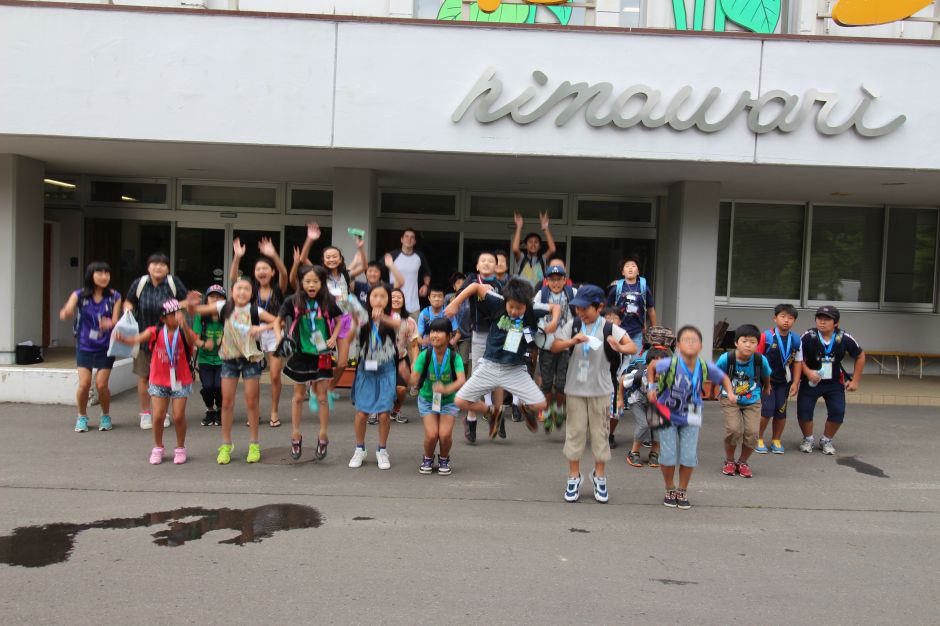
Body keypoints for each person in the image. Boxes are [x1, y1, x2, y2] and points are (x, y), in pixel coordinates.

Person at [551, 285, 637, 503]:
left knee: (600, 434)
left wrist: (619, 347)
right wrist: (572, 341)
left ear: (599, 307)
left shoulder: (609, 327)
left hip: (601, 390)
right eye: (578, 308)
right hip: (575, 389)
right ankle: (574, 476)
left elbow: (632, 347)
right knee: (575, 433)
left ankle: (599, 476)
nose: (580, 312)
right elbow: (555, 346)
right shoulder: (574, 325)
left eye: (585, 308)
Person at [445, 277, 560, 438]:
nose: (514, 311)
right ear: (505, 300)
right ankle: (492, 412)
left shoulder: (533, 308)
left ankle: (525, 408)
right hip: (489, 366)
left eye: (519, 308)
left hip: (515, 369)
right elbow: (475, 286)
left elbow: (555, 307)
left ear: (527, 304)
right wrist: (455, 303)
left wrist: (554, 322)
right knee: (460, 401)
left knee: (540, 403)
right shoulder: (498, 301)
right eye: (511, 307)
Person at [188, 277, 281, 465]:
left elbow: (278, 321)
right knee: (227, 403)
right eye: (239, 288)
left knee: (252, 403)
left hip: (250, 360)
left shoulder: (255, 310)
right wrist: (190, 302)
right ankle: (226, 445)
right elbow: (195, 311)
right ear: (232, 292)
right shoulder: (224, 307)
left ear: (252, 293)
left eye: (246, 289)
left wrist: (263, 328)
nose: (242, 292)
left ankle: (254, 444)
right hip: (229, 360)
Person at [649, 326, 736, 510]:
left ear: (701, 346)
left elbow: (724, 378)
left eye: (694, 340)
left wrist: (730, 392)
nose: (690, 343)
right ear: (678, 345)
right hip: (666, 412)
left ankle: (682, 490)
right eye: (686, 340)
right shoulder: (670, 363)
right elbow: (652, 366)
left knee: (688, 456)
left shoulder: (705, 366)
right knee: (668, 455)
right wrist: (651, 387)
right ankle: (669, 487)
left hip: (691, 414)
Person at [113, 299, 194, 465]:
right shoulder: (155, 331)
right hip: (158, 380)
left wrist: (184, 325)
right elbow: (137, 339)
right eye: (172, 314)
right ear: (163, 318)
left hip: (180, 380)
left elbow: (191, 341)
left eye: (179, 312)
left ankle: (180, 448)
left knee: (178, 416)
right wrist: (123, 339)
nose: (177, 316)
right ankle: (158, 447)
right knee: (158, 416)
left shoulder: (183, 331)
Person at [279, 264, 345, 462]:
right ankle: (295, 435)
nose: (311, 285)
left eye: (315, 281)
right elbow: (279, 320)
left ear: (322, 283)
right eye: (307, 281)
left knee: (322, 397)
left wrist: (333, 337)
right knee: (298, 397)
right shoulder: (292, 301)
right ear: (301, 282)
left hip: (322, 354)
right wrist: (280, 336)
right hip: (300, 354)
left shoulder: (327, 300)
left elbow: (340, 320)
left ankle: (323, 435)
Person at [230, 236, 288, 428]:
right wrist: (237, 257)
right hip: (253, 334)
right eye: (258, 269)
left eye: (265, 268)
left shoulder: (278, 289)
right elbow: (233, 280)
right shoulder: (251, 291)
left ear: (272, 272)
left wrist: (273, 255)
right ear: (254, 273)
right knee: (252, 376)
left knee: (274, 375)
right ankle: (254, 412)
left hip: (274, 333)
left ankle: (274, 410)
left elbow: (285, 273)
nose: (262, 272)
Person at [124, 253, 188, 430]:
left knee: (165, 377)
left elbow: (185, 299)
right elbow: (129, 301)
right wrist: (127, 309)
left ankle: (163, 413)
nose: (158, 267)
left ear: (168, 268)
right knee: (144, 376)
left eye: (162, 264)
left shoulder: (173, 283)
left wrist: (179, 308)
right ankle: (145, 414)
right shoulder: (140, 283)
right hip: (144, 338)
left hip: (168, 340)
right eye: (154, 263)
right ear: (148, 267)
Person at [58, 261, 122, 433]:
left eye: (107, 273)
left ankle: (105, 415)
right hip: (85, 345)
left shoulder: (115, 296)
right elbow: (67, 310)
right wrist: (66, 313)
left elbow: (116, 320)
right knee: (84, 384)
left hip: (106, 347)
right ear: (90, 275)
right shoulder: (79, 295)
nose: (104, 276)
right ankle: (82, 416)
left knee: (101, 385)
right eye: (99, 273)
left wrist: (110, 323)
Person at [796, 306, 865, 456]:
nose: (822, 322)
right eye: (819, 318)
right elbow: (797, 357)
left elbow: (860, 356)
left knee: (837, 412)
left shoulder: (844, 338)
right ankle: (807, 439)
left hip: (834, 382)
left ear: (836, 323)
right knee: (804, 410)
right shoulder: (808, 336)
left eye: (827, 319)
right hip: (811, 381)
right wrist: (807, 372)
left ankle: (826, 440)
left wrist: (855, 380)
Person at [348, 282, 402, 470]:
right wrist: (356, 321)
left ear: (388, 300)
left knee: (384, 413)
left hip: (386, 369)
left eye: (383, 297)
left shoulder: (393, 316)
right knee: (361, 413)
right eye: (374, 296)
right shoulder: (363, 316)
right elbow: (351, 335)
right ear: (368, 298)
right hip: (365, 369)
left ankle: (382, 450)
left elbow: (399, 325)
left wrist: (383, 317)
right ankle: (359, 449)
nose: (378, 300)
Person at [411, 318, 467, 475]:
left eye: (439, 331)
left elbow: (462, 380)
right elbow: (413, 378)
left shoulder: (454, 357)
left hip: (449, 401)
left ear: (449, 336)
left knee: (444, 435)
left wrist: (446, 388)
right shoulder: (425, 355)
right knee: (431, 435)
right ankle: (427, 458)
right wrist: (410, 375)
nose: (435, 335)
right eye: (432, 331)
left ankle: (444, 459)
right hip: (428, 400)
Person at [715, 324, 772, 478]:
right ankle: (729, 461)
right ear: (736, 342)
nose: (748, 345)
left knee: (752, 432)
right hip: (730, 398)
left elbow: (766, 375)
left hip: (752, 398)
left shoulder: (760, 360)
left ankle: (743, 462)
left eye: (753, 342)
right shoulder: (726, 358)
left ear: (757, 344)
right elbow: (716, 374)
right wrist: (716, 390)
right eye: (744, 341)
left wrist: (767, 387)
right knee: (734, 429)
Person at [756, 304, 803, 454]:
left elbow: (798, 362)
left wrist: (795, 382)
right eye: (782, 316)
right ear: (775, 318)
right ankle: (758, 438)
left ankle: (776, 439)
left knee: (781, 411)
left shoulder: (796, 340)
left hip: (784, 383)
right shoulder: (766, 337)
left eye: (790, 318)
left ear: (794, 321)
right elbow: (757, 359)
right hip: (767, 382)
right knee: (767, 410)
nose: (786, 320)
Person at [534, 264, 576, 431]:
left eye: (559, 279)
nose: (556, 283)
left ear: (565, 280)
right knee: (546, 381)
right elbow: (532, 310)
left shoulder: (572, 293)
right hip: (547, 344)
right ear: (547, 281)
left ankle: (559, 409)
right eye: (552, 280)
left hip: (566, 343)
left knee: (561, 382)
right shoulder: (541, 294)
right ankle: (546, 410)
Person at [623, 346, 670, 468]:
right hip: (637, 400)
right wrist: (619, 400)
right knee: (643, 424)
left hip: (655, 402)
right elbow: (622, 380)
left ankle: (654, 454)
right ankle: (633, 453)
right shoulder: (640, 375)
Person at [606, 256, 656, 367]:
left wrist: (654, 329)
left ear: (638, 271)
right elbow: (606, 310)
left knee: (635, 364)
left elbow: (651, 309)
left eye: (633, 266)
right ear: (622, 272)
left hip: (637, 332)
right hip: (618, 332)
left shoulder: (644, 288)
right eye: (627, 266)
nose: (630, 268)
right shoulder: (616, 289)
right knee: (616, 364)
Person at [191, 284, 226, 427]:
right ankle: (210, 410)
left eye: (219, 297)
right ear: (206, 300)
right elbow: (195, 338)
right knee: (207, 387)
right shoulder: (201, 316)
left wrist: (223, 340)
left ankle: (220, 409)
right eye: (212, 296)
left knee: (219, 386)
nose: (215, 299)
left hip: (223, 359)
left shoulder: (227, 315)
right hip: (205, 359)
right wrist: (205, 345)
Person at [388, 287, 419, 425]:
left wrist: (414, 362)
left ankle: (396, 410)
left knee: (401, 389)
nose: (396, 299)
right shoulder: (382, 317)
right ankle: (376, 411)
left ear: (404, 300)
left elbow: (414, 345)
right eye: (393, 297)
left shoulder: (410, 321)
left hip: (401, 358)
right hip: (383, 360)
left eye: (399, 297)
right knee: (381, 387)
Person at [389, 228, 432, 316]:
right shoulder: (393, 255)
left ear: (415, 241)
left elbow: (427, 272)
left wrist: (426, 285)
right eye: (406, 236)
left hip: (413, 306)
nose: (409, 239)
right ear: (401, 239)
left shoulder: (419, 255)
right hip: (394, 305)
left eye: (412, 237)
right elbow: (377, 270)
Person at [511, 211, 556, 287]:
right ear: (525, 246)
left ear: (540, 246)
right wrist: (519, 227)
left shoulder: (543, 259)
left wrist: (545, 228)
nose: (533, 244)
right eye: (530, 242)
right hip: (523, 293)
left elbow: (552, 249)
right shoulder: (522, 258)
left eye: (536, 242)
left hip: (539, 293)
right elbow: (515, 249)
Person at [447, 272, 473, 382]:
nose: (462, 285)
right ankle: (451, 383)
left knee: (463, 362)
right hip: (450, 336)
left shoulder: (471, 300)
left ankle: (462, 383)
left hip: (465, 336)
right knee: (450, 361)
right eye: (458, 283)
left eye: (464, 283)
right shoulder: (448, 298)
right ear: (454, 286)